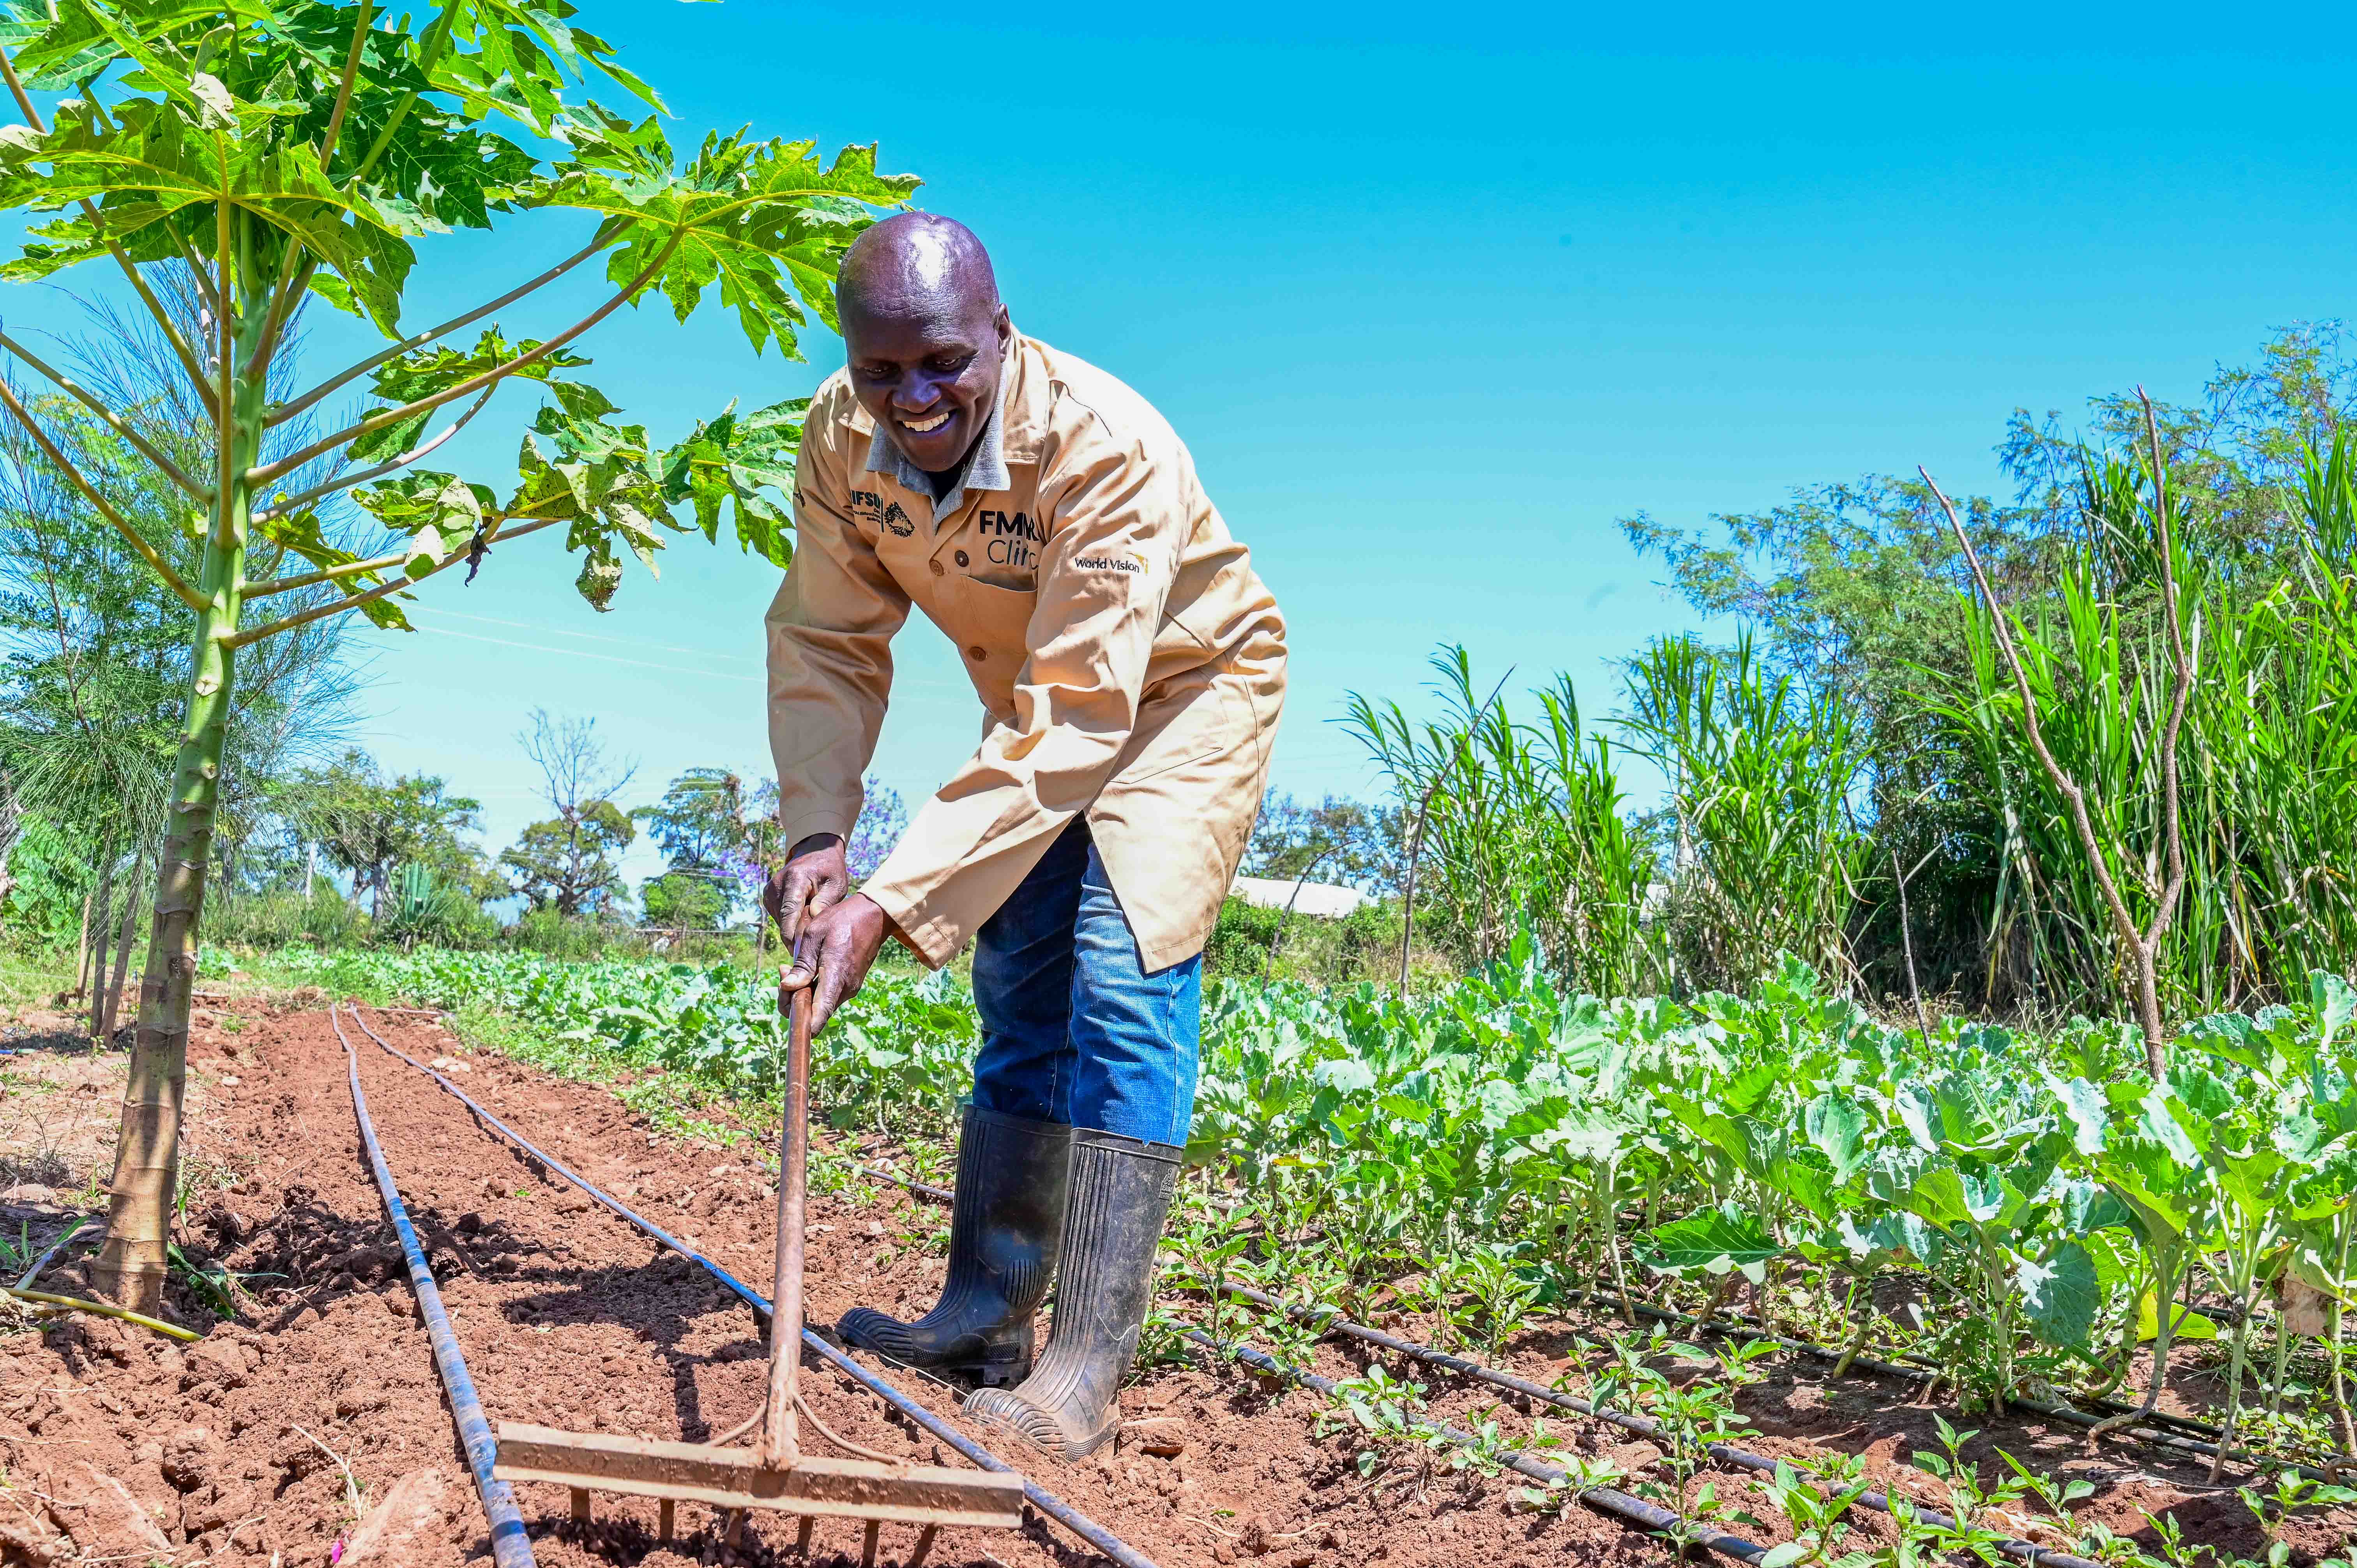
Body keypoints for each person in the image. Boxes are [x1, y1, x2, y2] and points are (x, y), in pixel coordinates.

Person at [762, 212, 1286, 1461]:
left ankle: (1086, 1364)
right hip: (1041, 709)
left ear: (1000, 330)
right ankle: (983, 1316)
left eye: (943, 360)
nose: (914, 397)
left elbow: (1083, 714)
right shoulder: (843, 436)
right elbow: (829, 640)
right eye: (881, 370)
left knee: (1117, 972)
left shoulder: (1106, 446)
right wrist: (819, 836)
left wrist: (887, 901)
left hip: (1179, 695)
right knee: (1020, 983)